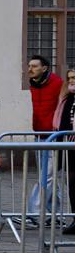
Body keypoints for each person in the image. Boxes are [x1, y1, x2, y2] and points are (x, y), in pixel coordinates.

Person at [23, 55, 64, 229]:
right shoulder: (35, 85)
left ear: (45, 68)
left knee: (46, 176)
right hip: (40, 133)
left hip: (54, 135)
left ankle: (34, 213)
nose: (30, 69)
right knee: (49, 177)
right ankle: (54, 215)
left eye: (34, 66)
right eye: (29, 66)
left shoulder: (58, 83)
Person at [52, 68, 75, 235]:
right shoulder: (66, 98)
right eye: (70, 78)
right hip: (69, 146)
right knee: (72, 183)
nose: (72, 81)